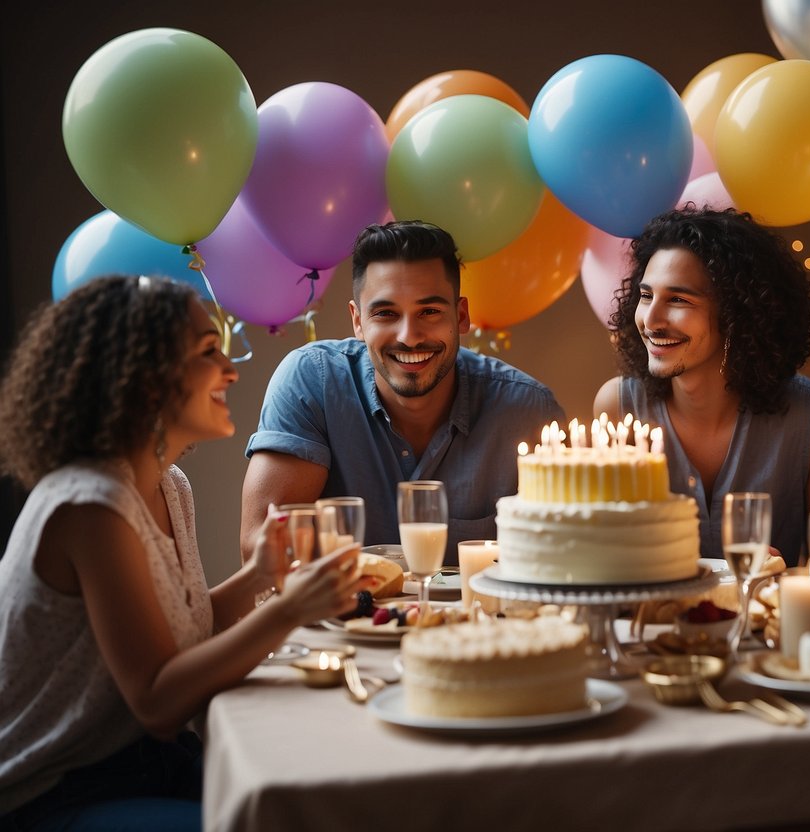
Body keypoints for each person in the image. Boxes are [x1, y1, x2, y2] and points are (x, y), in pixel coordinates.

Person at [0, 276, 367, 830]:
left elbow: (179, 637)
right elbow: (157, 701)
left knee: (330, 797)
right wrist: (286, 609)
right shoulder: (91, 505)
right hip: (53, 789)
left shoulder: (169, 485)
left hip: (139, 764)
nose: (231, 369)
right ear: (143, 377)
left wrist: (255, 578)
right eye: (206, 352)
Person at [241, 220, 565, 564]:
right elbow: (260, 551)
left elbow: (560, 561)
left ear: (461, 315)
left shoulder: (528, 411)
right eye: (386, 313)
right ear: (358, 321)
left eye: (429, 311)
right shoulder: (313, 381)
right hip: (339, 617)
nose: (409, 336)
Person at [593, 207, 810, 563]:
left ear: (738, 314)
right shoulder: (617, 407)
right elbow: (603, 557)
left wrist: (783, 575)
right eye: (647, 295)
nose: (650, 320)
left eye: (678, 300)